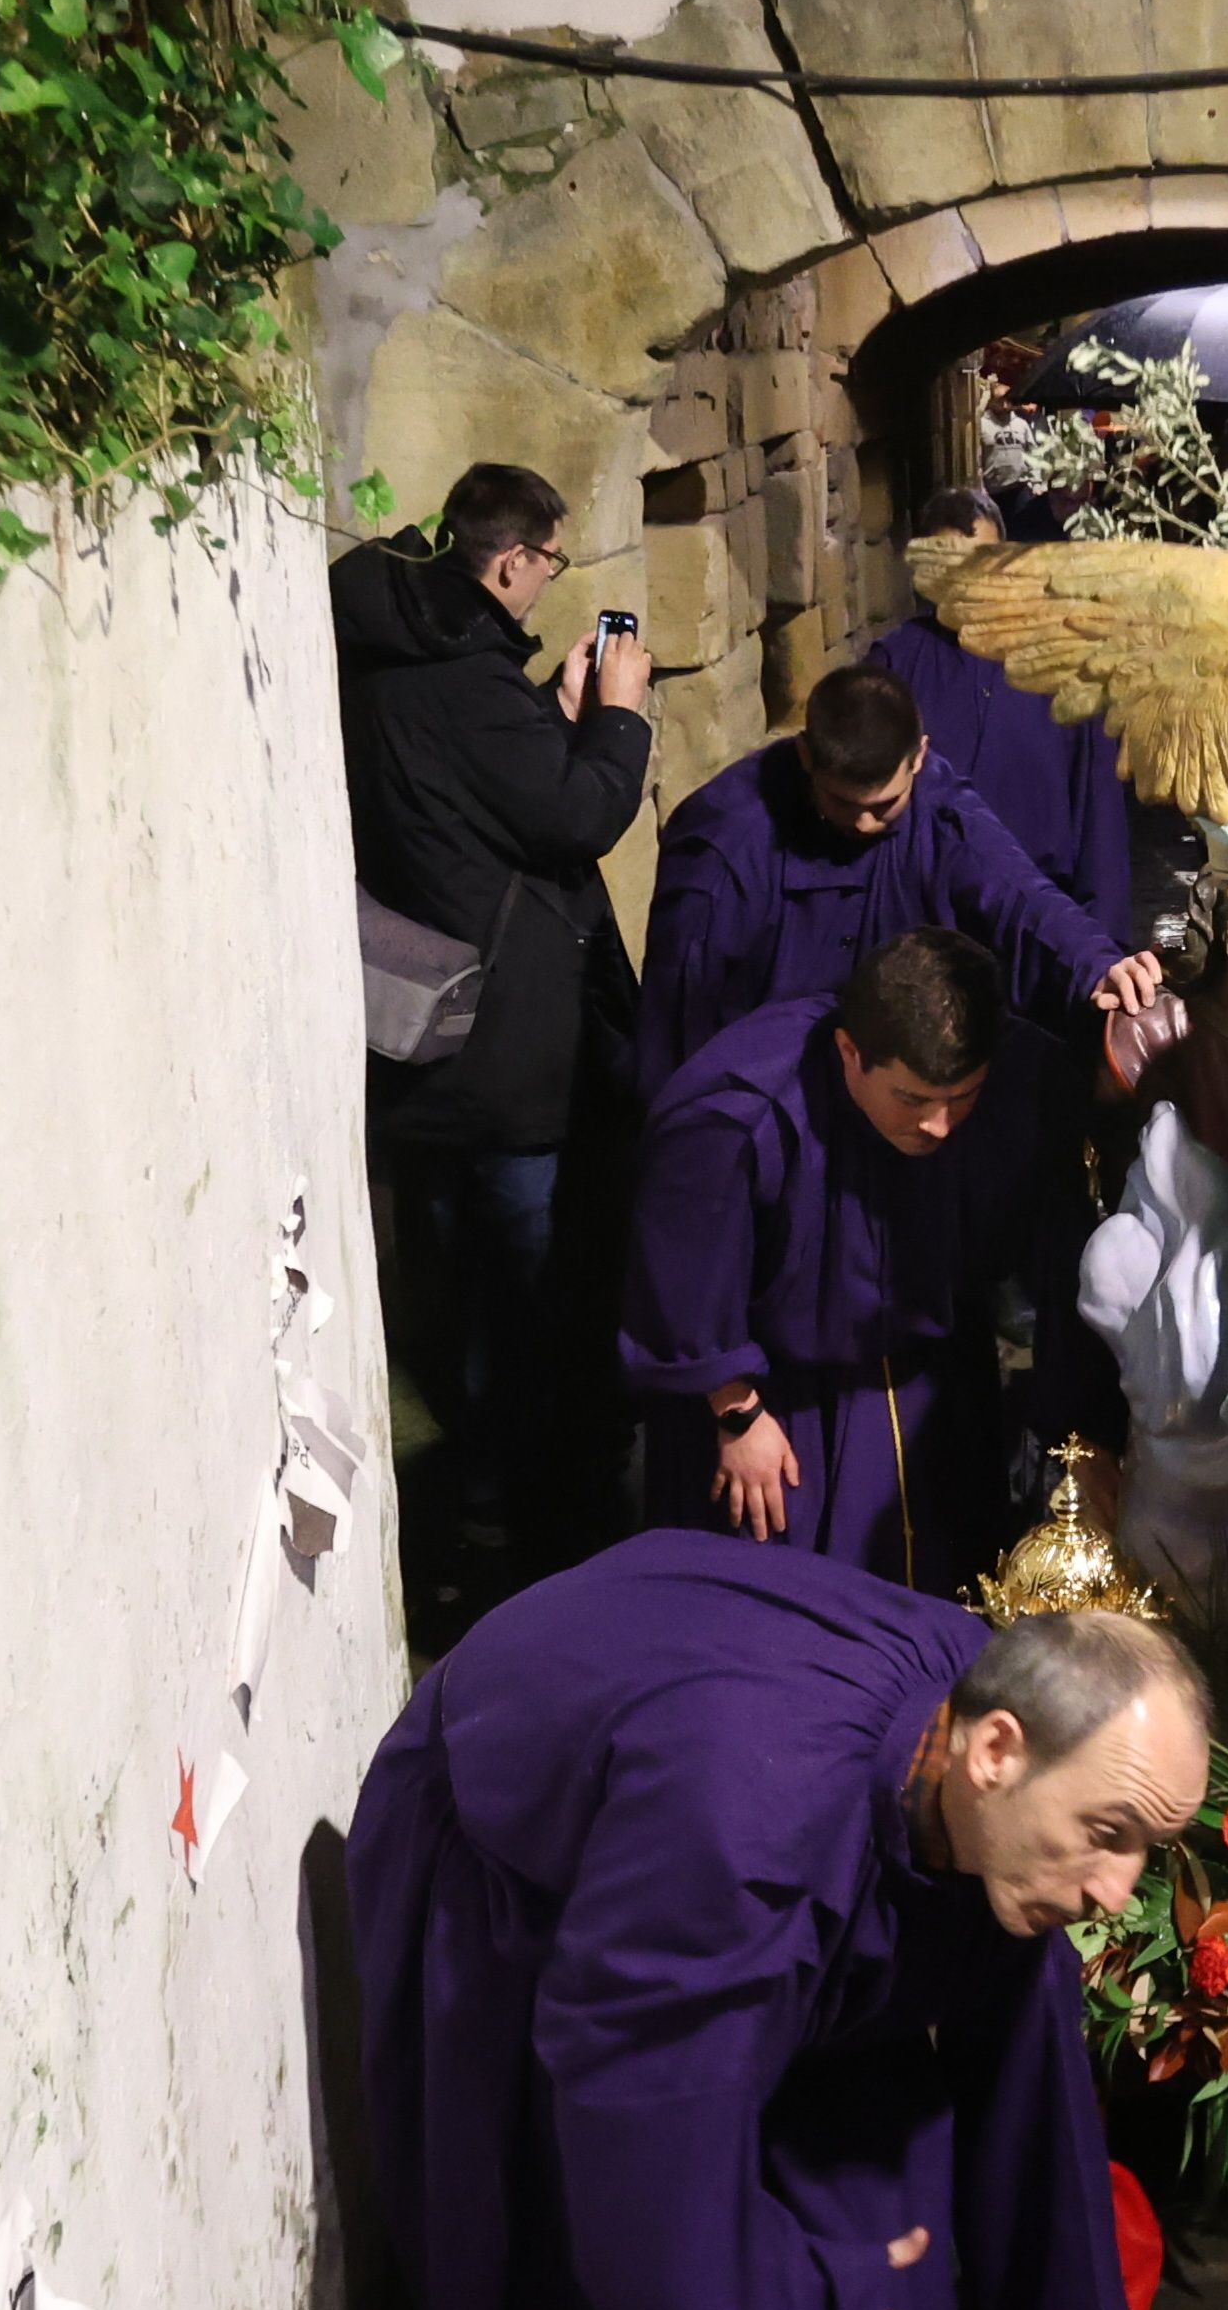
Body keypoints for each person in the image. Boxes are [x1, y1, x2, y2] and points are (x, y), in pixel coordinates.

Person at [349, 1535, 1206, 2310]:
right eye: (1106, 1833)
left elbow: (1034, 2099)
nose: (1115, 1892)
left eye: (1147, 1848)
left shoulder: (986, 1742)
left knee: (893, 2275)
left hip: (735, 1814)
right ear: (993, 1752)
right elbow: (646, 2166)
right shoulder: (736, 1841)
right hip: (524, 1855)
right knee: (586, 2308)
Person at [335, 460, 651, 1567]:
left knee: (447, 1295)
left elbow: (471, 804)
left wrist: (543, 713)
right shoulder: (462, 685)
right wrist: (616, 719)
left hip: (418, 1039)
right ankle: (534, 1517)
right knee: (531, 1297)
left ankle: (479, 1491)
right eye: (548, 562)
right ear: (512, 559)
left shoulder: (391, 659)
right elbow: (572, 818)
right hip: (505, 1051)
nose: (546, 583)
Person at [622, 929, 1115, 1595]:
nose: (939, 1125)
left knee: (947, 1579)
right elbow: (684, 1278)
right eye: (911, 1099)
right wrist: (735, 1410)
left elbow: (1062, 1267)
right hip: (773, 1392)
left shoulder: (1024, 1082)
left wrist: (1082, 1436)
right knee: (783, 1588)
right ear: (849, 1052)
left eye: (961, 1096)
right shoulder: (734, 1115)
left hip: (935, 1367)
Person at [634, 660, 1163, 1097]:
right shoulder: (726, 845)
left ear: (920, 758)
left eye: (884, 807)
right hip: (763, 1092)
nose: (864, 824)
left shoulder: (937, 804)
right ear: (805, 757)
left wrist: (1095, 964)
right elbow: (676, 1025)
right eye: (843, 803)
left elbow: (1018, 896)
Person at [872, 488, 1131, 938]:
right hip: (928, 922)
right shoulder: (893, 666)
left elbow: (1099, 818)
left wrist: (1105, 944)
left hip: (1042, 924)